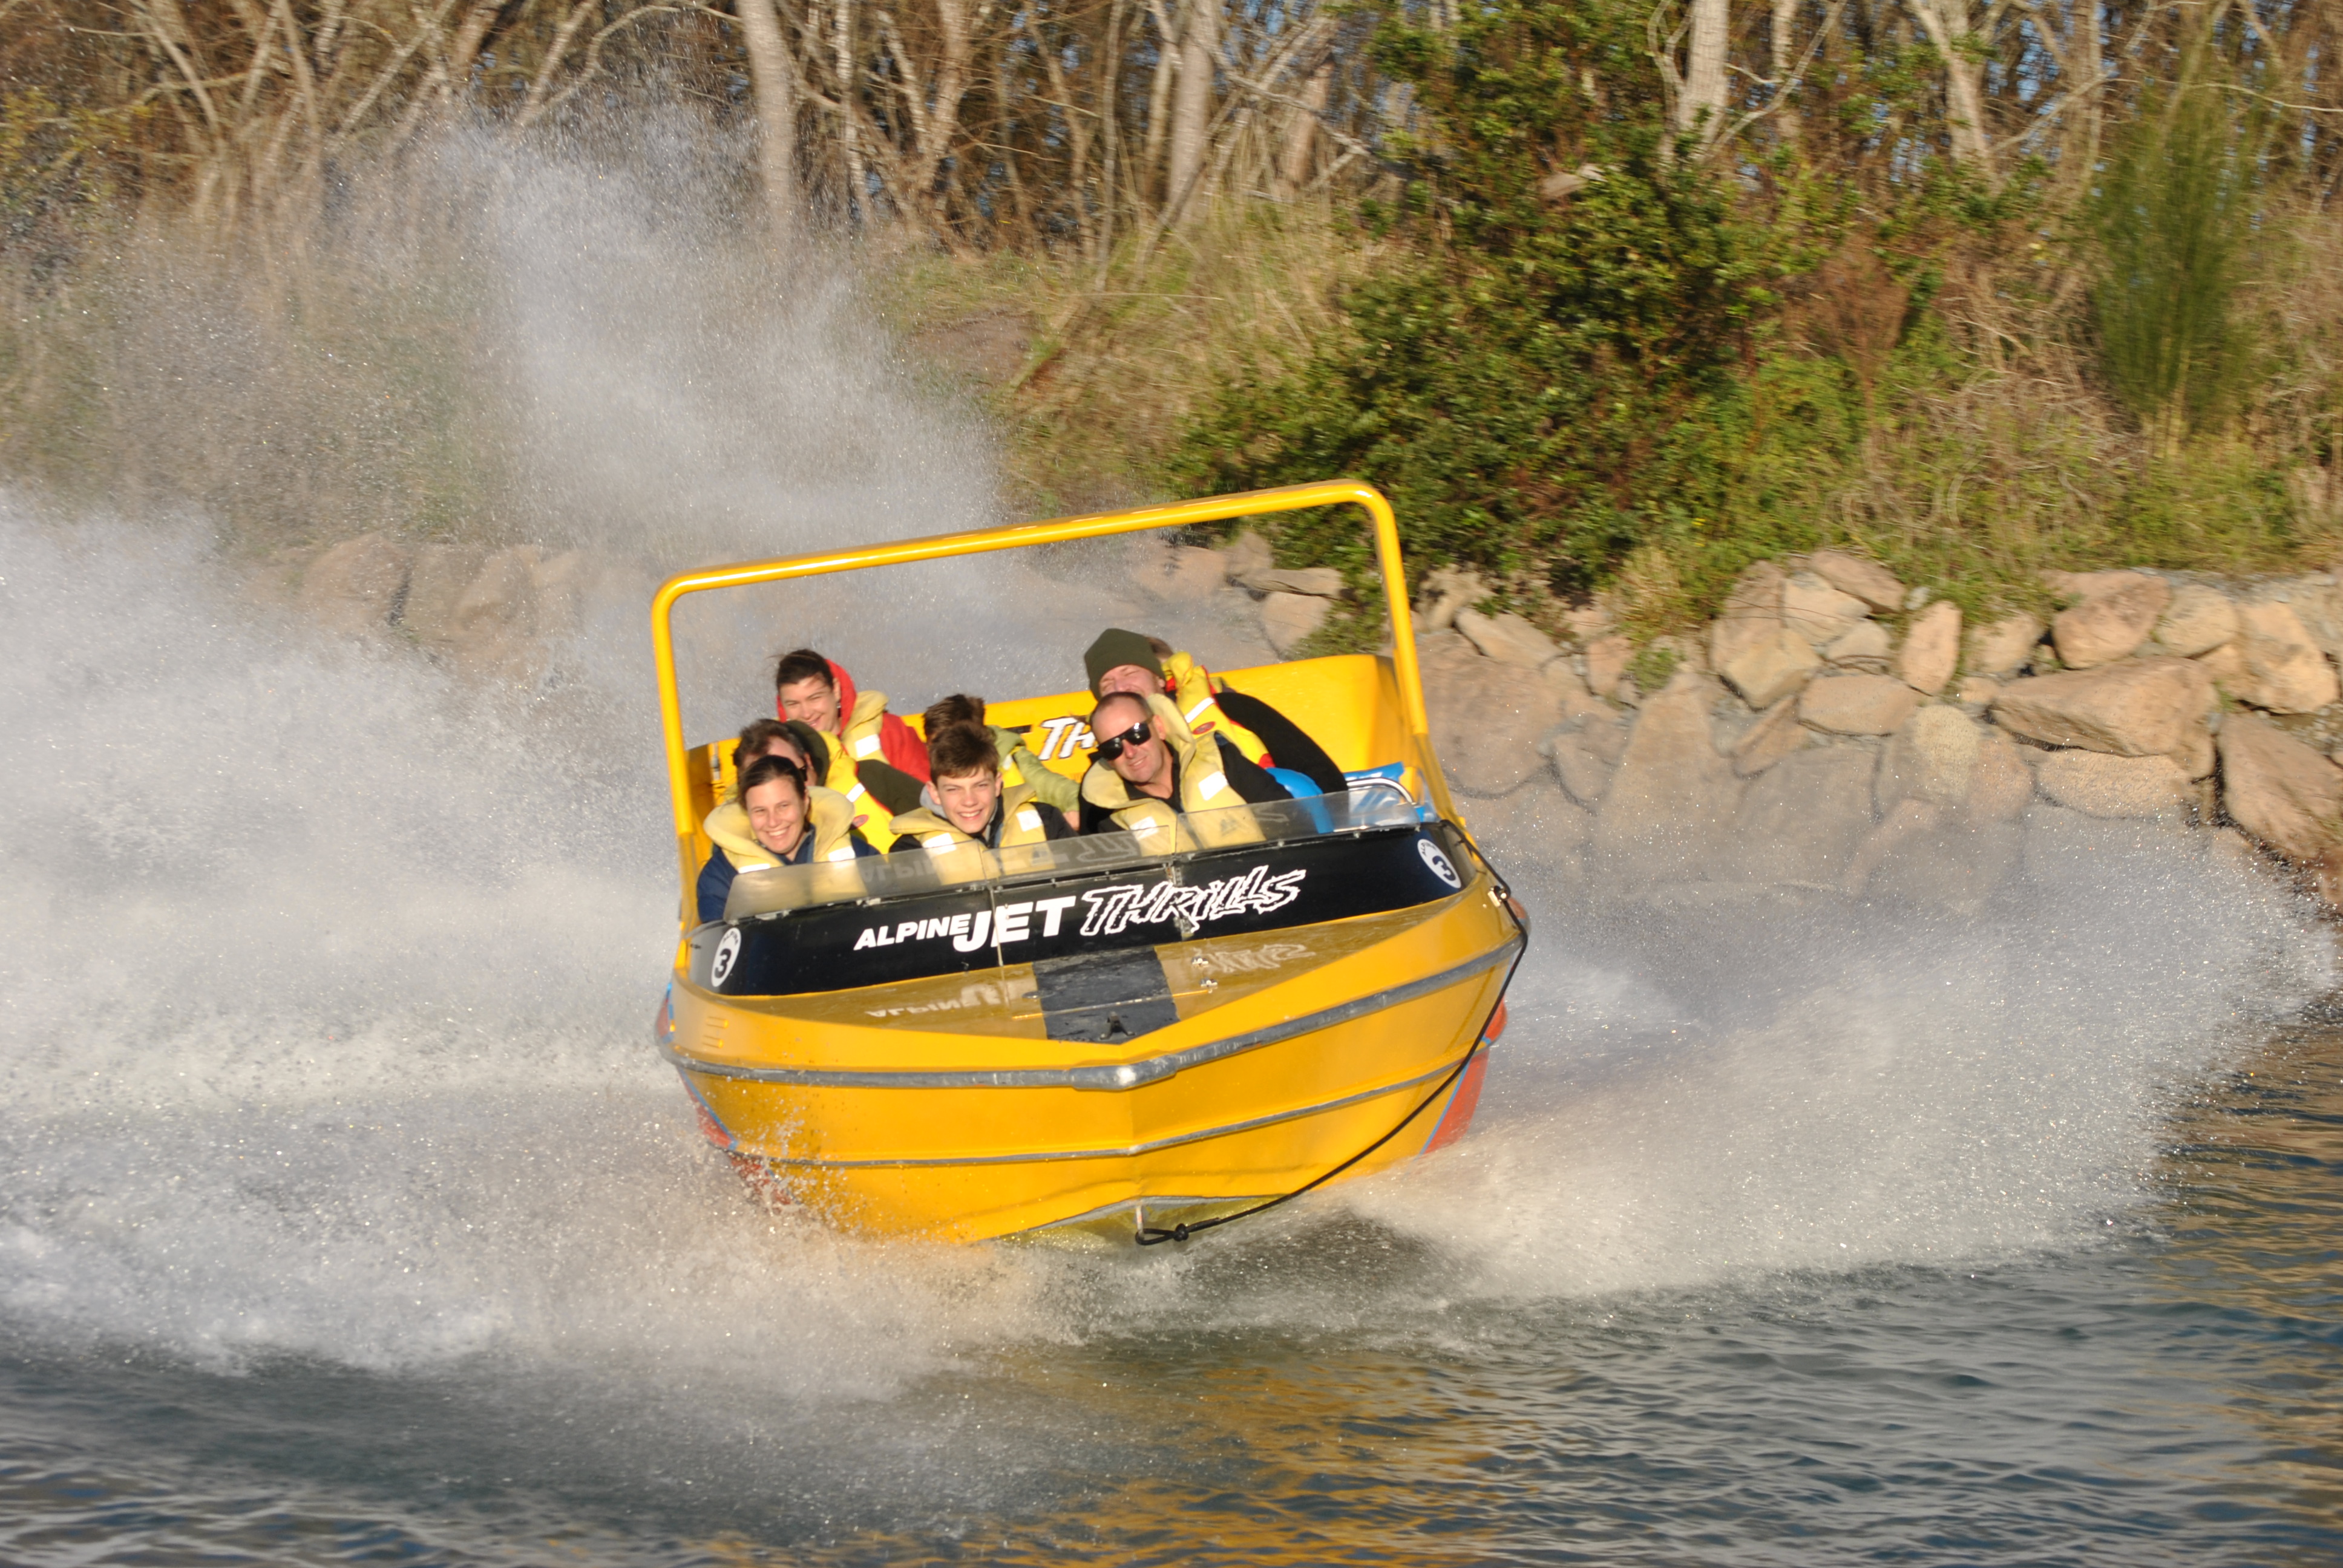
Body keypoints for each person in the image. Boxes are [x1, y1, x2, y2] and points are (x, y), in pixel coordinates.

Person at [1082, 629, 1346, 796]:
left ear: (1159, 679)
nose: (1121, 687)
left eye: (1130, 673)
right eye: (1107, 684)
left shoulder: (1233, 709)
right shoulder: (1108, 764)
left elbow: (1325, 778)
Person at [1075, 690, 1283, 849]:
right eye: (1113, 748)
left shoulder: (1221, 759)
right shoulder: (1110, 820)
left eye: (1136, 734)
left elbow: (1288, 821)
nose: (1130, 752)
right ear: (1107, 759)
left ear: (1158, 727)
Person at [695, 754, 877, 922]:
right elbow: (719, 943)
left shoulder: (858, 853)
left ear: (805, 801)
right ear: (747, 812)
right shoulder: (722, 876)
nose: (773, 822)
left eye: (783, 806)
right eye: (760, 811)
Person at [887, 720, 1075, 852]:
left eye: (980, 786)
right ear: (934, 793)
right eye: (953, 789)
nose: (969, 801)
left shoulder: (1046, 821)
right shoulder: (911, 852)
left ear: (997, 784)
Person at [775, 649, 930, 782]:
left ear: (835, 690)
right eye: (793, 704)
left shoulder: (889, 732)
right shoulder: (774, 754)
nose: (806, 714)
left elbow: (928, 796)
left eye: (815, 698)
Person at [921, 693, 1080, 817]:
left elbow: (1064, 790)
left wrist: (1075, 811)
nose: (939, 750)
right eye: (933, 745)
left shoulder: (1014, 761)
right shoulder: (928, 772)